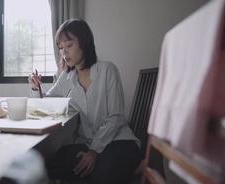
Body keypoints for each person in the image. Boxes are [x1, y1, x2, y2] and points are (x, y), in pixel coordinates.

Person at [29, 19, 142, 184]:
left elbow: (116, 117)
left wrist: (93, 152)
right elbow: (45, 105)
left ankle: (131, 163)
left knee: (102, 175)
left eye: (69, 45)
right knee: (46, 165)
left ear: (84, 43)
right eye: (60, 48)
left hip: (118, 140)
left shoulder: (107, 70)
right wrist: (34, 88)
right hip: (87, 143)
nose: (64, 53)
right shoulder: (67, 77)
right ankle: (132, 167)